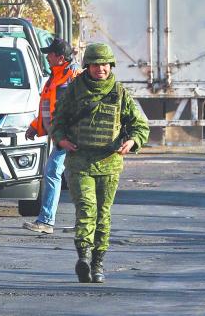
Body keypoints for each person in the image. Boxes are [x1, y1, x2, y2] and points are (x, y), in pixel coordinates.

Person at [51, 43, 149, 284]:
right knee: (86, 210)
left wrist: (133, 142)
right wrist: (61, 139)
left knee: (103, 214)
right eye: (96, 64)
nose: (101, 69)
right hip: (80, 161)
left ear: (110, 65)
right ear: (88, 66)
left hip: (109, 163)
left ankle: (98, 263)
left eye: (105, 64)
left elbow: (140, 125)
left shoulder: (120, 93)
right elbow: (57, 120)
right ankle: (83, 257)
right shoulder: (74, 90)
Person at [22, 38, 80, 234]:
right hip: (61, 136)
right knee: (73, 177)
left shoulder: (73, 76)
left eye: (50, 54)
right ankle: (83, 223)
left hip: (69, 137)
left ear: (60, 57)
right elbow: (47, 108)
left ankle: (46, 221)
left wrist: (71, 134)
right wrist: (35, 127)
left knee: (54, 172)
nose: (47, 57)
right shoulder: (55, 77)